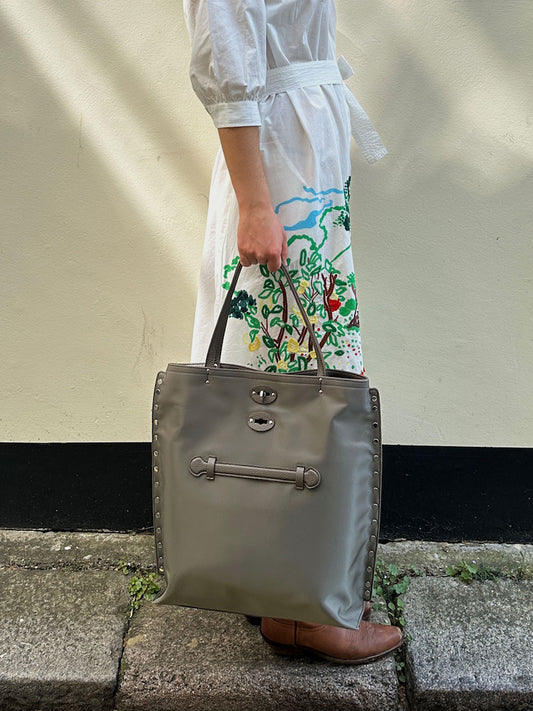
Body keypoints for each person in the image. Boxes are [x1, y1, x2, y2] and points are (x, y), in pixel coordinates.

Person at [183, 0, 403, 664]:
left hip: (303, 149)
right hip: (280, 160)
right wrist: (255, 203)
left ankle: (292, 586)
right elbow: (224, 44)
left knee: (301, 371)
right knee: (292, 380)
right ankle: (301, 605)